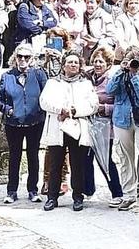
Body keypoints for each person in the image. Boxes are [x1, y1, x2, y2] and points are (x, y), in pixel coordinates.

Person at [40, 47, 98, 212]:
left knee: (77, 164)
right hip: (58, 127)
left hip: (77, 128)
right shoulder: (53, 83)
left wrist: (74, 111)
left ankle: (78, 197)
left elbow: (93, 105)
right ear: (63, 65)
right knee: (55, 164)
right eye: (70, 62)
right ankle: (52, 197)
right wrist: (61, 110)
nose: (73, 65)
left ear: (80, 66)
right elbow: (44, 101)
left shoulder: (86, 84)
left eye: (76, 62)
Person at [0, 44, 45, 203]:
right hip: (14, 123)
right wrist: (8, 110)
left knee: (33, 156)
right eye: (20, 56)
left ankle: (33, 190)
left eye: (26, 57)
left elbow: (47, 95)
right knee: (14, 156)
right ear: (15, 58)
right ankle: (12, 191)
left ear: (32, 59)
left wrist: (40, 111)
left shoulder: (38, 75)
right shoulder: (7, 76)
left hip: (34, 122)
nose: (23, 60)